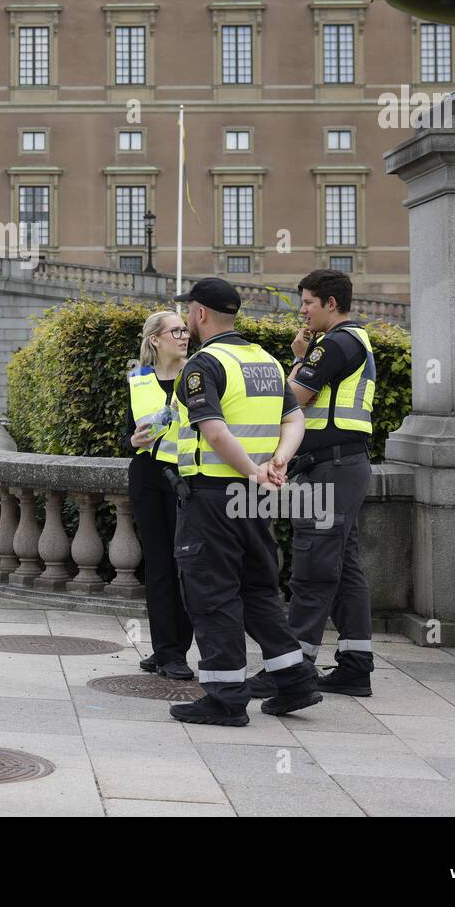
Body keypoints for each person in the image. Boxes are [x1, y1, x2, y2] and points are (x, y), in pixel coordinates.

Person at [167, 278, 321, 727]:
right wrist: (277, 463)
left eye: (189, 313)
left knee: (212, 594)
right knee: (257, 591)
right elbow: (295, 419)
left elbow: (214, 431)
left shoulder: (204, 365)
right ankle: (294, 680)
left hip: (212, 497)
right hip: (253, 499)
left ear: (199, 314)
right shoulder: (267, 362)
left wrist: (254, 469)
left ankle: (226, 697)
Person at [247, 268, 378, 700]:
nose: (302, 310)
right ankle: (355, 666)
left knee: (313, 567)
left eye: (307, 302)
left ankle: (292, 669)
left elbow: (291, 398)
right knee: (346, 568)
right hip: (344, 466)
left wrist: (300, 358)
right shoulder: (353, 341)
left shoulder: (336, 344)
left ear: (331, 304)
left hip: (330, 469)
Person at [123, 310, 196, 682]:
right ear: (156, 338)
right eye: (176, 331)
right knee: (158, 565)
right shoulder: (138, 379)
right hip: (149, 476)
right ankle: (167, 650)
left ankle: (177, 650)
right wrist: (132, 440)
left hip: (187, 475)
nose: (184, 336)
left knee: (185, 564)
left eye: (185, 329)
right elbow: (127, 434)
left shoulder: (198, 372)